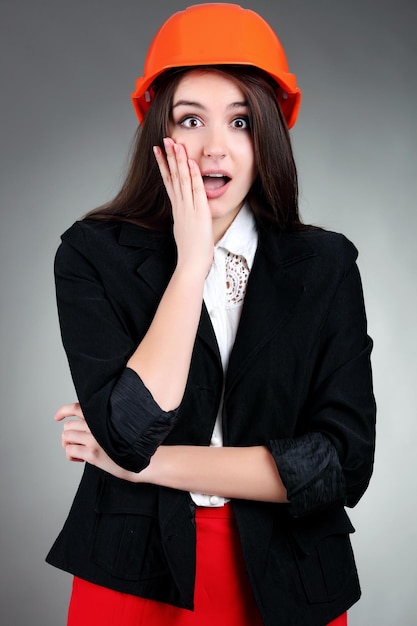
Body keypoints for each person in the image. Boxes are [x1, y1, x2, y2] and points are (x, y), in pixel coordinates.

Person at [46, 4, 376, 626]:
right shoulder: (92, 254)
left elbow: (340, 464)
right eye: (190, 120)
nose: (215, 148)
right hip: (135, 576)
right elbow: (128, 431)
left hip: (290, 578)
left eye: (242, 121)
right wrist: (192, 259)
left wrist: (151, 467)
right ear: (157, 134)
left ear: (270, 133)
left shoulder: (326, 265)